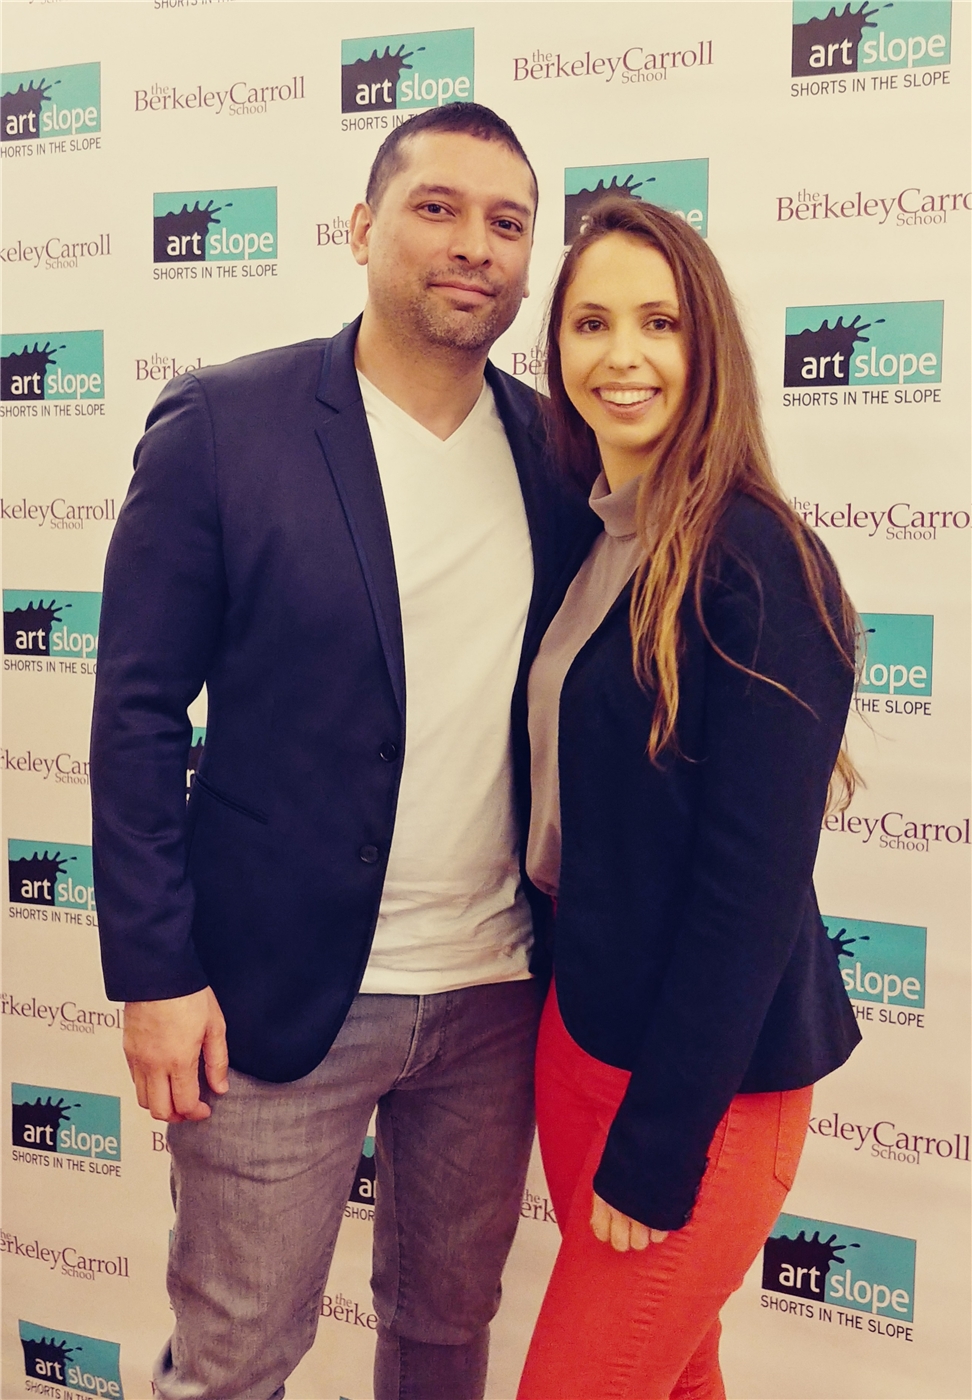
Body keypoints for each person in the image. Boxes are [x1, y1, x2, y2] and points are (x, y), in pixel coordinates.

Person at [90, 103, 592, 1400]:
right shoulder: (226, 422)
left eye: (507, 222)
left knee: (445, 1338)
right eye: (437, 208)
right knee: (235, 1359)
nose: (474, 244)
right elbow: (138, 712)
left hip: (497, 995)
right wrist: (155, 971)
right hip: (273, 998)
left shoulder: (559, 452)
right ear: (362, 226)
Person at [515, 197, 862, 1400]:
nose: (623, 354)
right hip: (580, 1037)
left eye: (659, 322)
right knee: (670, 1377)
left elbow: (747, 898)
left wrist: (662, 1144)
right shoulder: (593, 538)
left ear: (705, 343)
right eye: (591, 322)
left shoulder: (760, 561)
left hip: (706, 1091)